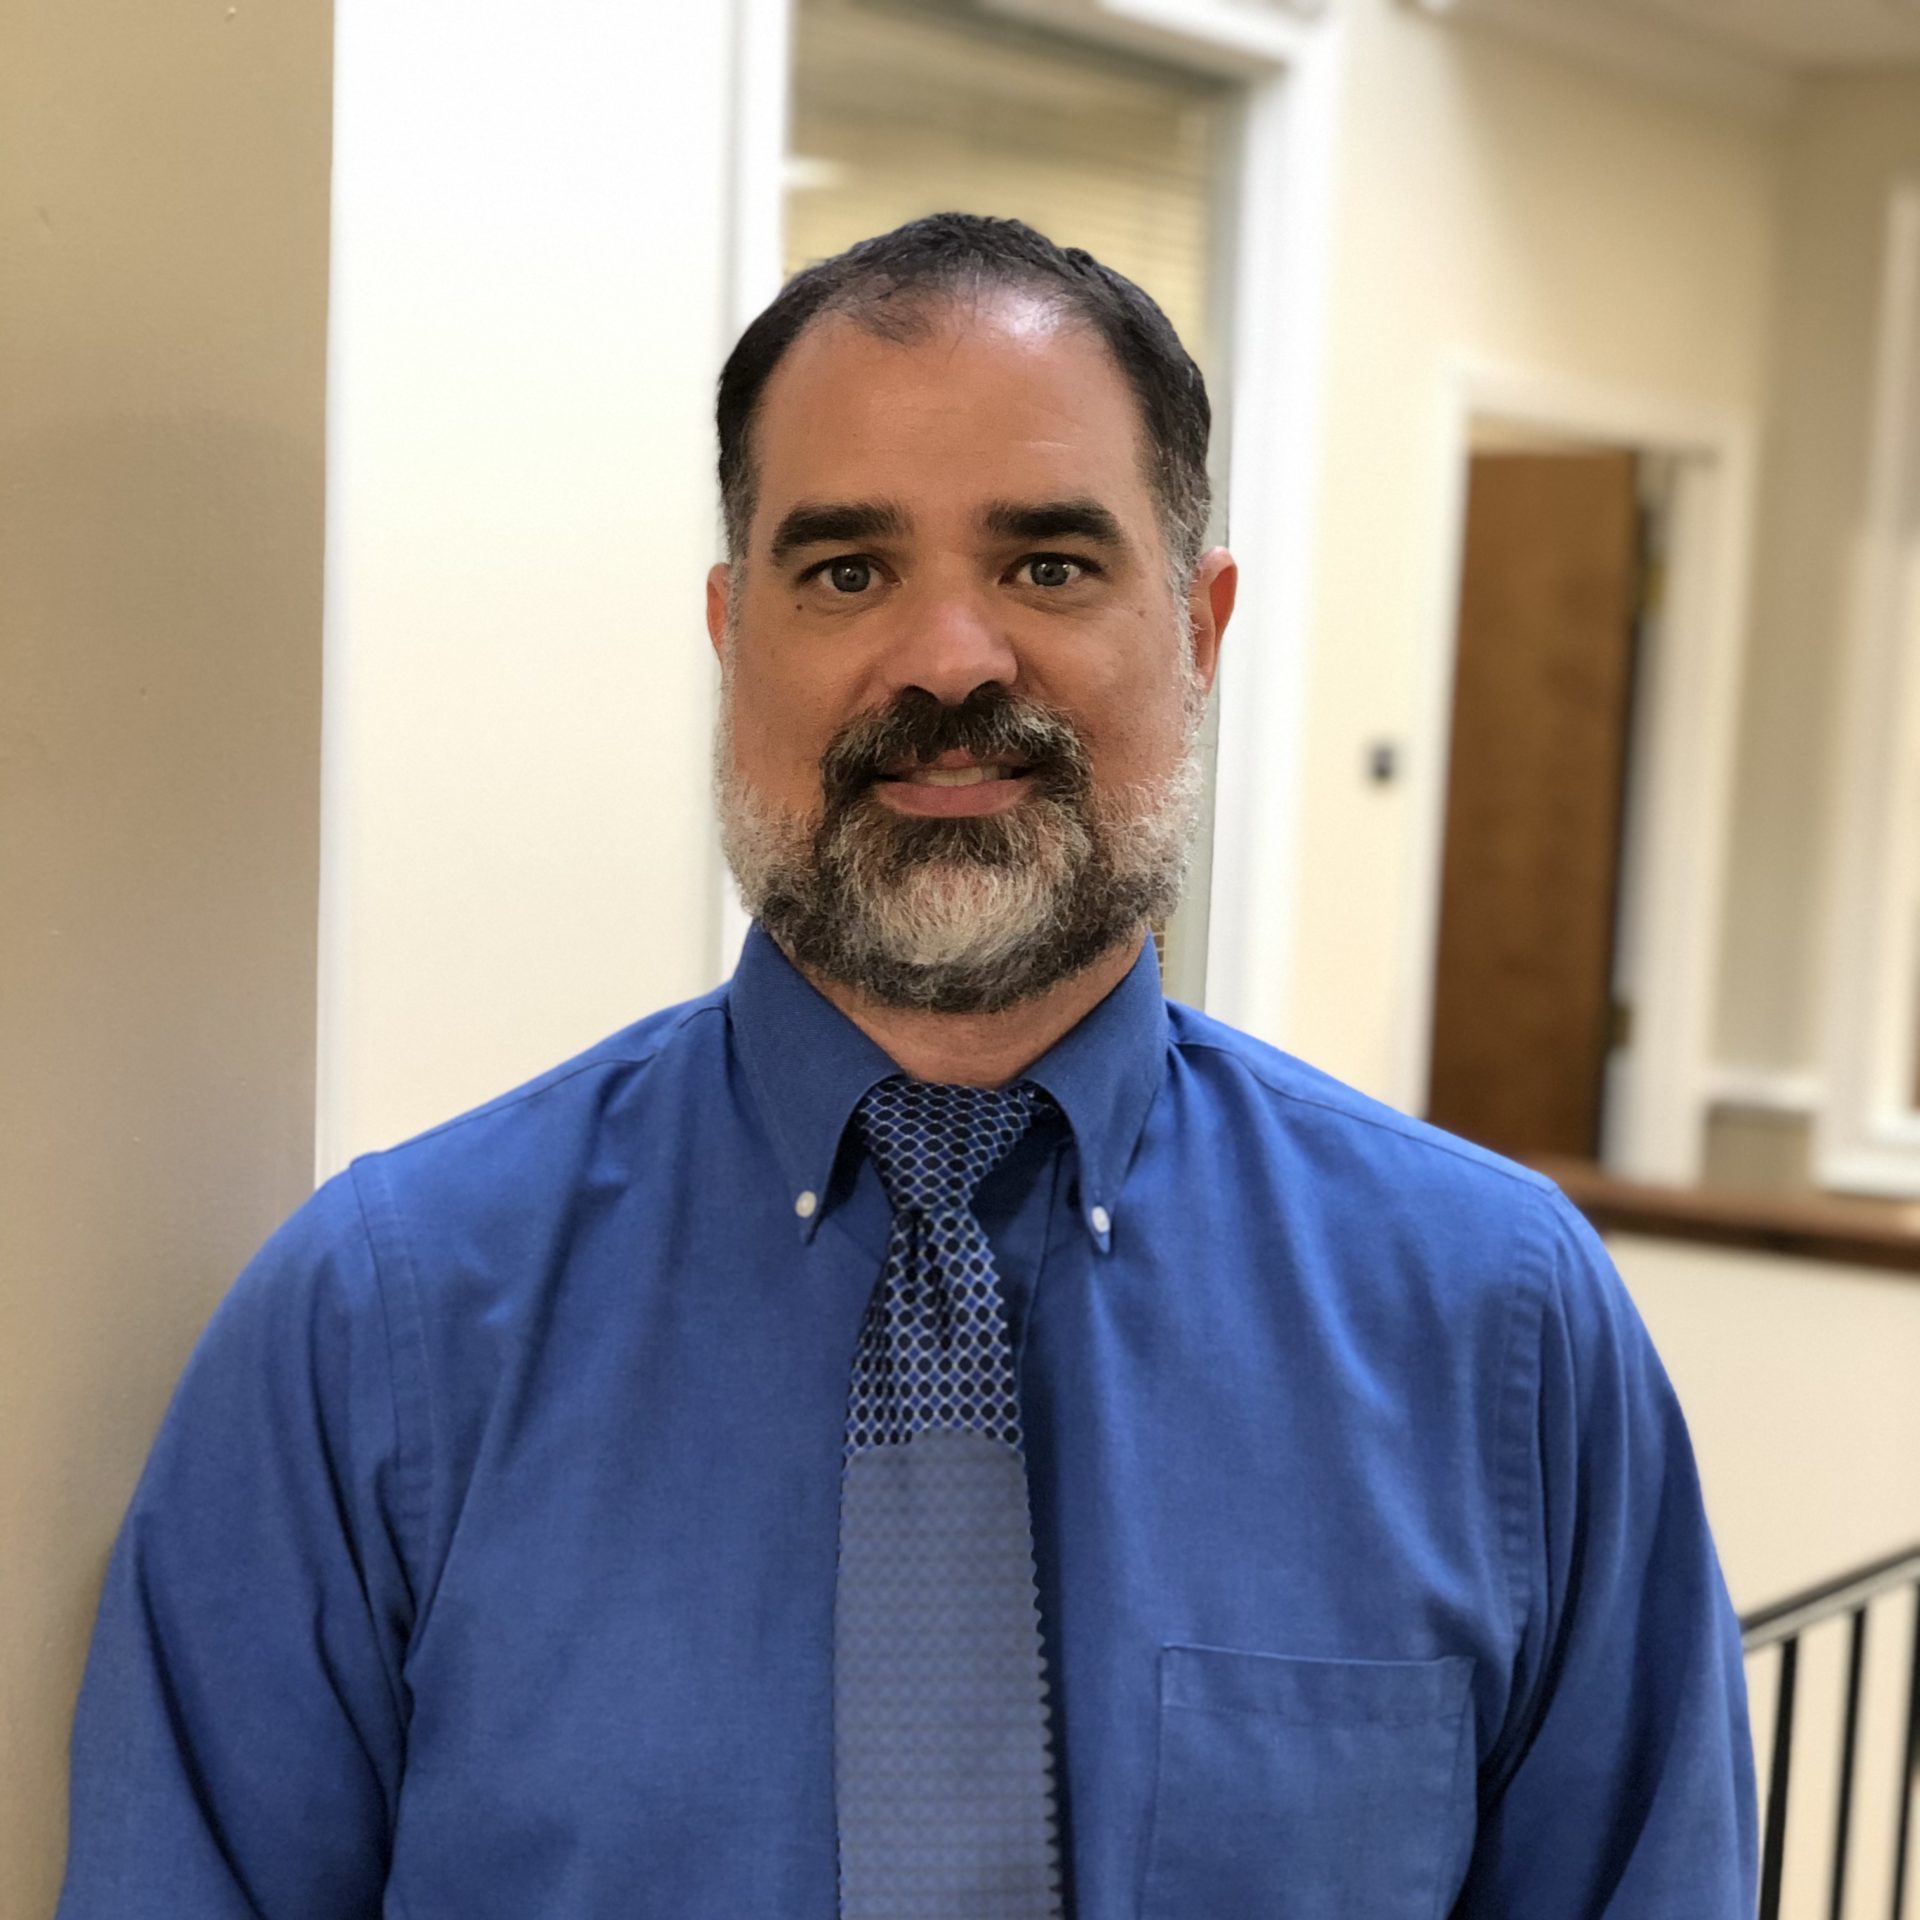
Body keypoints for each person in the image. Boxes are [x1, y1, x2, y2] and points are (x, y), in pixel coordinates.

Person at [58, 213, 1756, 1917]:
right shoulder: (380, 1338)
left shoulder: (1500, 1333)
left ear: (1201, 631)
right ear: (732, 633)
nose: (951, 657)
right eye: (848, 571)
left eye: (1050, 565)